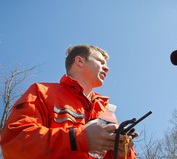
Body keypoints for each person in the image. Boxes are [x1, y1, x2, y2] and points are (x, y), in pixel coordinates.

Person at [0, 45, 136, 159]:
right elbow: (14, 142)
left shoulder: (106, 111)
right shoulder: (42, 92)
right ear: (80, 61)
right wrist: (79, 139)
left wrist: (123, 151)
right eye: (100, 62)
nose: (107, 68)